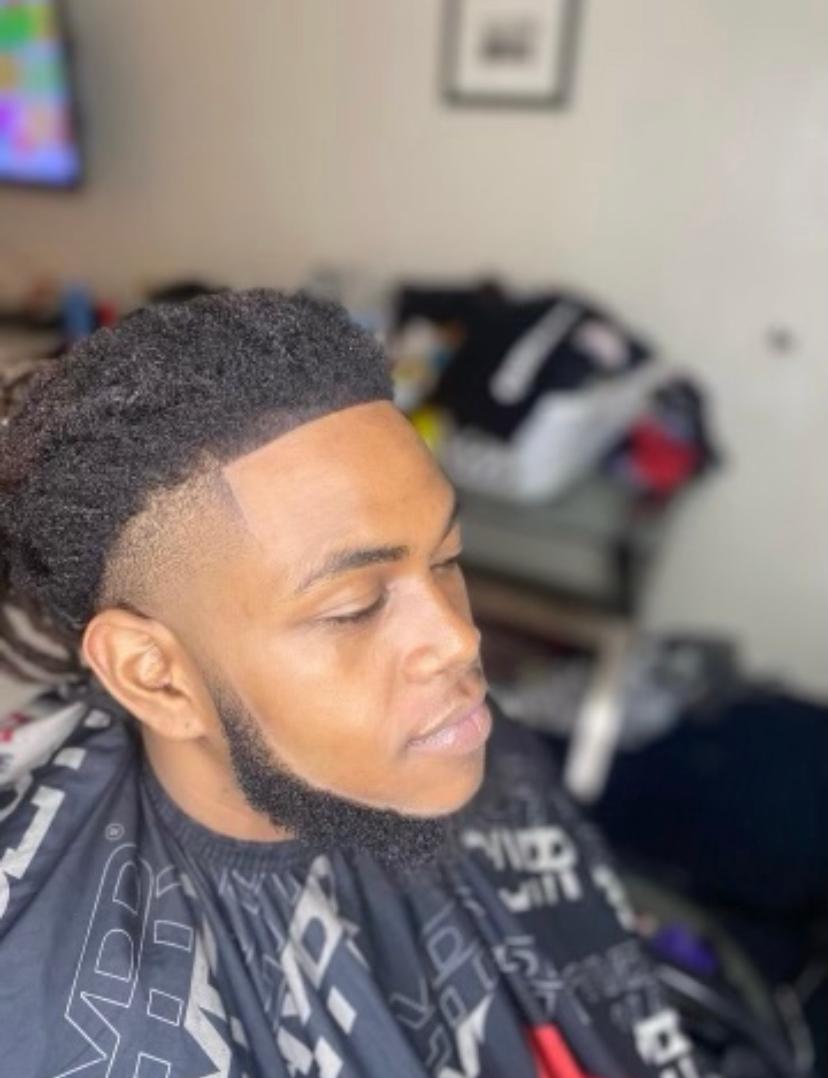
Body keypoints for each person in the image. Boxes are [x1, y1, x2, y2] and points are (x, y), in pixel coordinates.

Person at [0, 290, 699, 1077]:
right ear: (155, 676)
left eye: (447, 558)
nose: (459, 640)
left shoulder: (442, 733)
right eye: (355, 606)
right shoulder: (68, 1032)